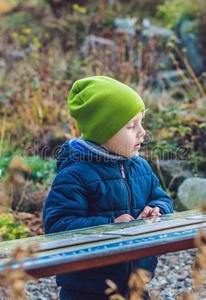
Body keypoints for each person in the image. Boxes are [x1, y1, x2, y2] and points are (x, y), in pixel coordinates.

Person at [43, 76, 174, 300]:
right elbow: (57, 226)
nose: (142, 132)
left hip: (136, 284)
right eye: (131, 126)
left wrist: (157, 209)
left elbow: (162, 198)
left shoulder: (140, 167)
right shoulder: (76, 174)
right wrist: (110, 226)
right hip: (88, 291)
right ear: (103, 132)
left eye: (141, 123)